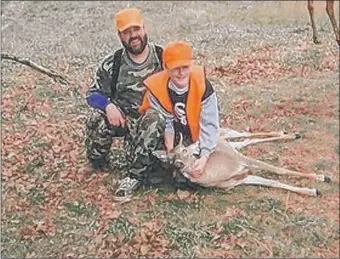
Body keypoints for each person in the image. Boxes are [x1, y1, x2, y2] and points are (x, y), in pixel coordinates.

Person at [85, 8, 165, 199]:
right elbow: (91, 95)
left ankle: (134, 175)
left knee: (154, 121)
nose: (133, 36)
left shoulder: (162, 57)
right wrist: (108, 106)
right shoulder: (113, 63)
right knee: (95, 117)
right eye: (126, 32)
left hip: (152, 122)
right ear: (120, 35)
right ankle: (98, 160)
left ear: (144, 28)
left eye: (136, 29)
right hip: (122, 119)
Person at [139, 40, 220, 188]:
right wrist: (170, 151)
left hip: (196, 135)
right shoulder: (157, 89)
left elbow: (209, 123)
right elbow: (167, 122)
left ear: (191, 65)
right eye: (176, 68)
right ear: (166, 67)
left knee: (194, 178)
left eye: (185, 67)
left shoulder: (203, 86)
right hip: (173, 136)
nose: (181, 73)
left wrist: (205, 156)